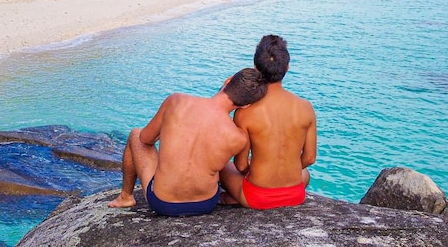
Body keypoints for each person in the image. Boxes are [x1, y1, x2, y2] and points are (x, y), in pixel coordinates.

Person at [107, 68, 267, 216]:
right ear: (246, 105)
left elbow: (146, 140)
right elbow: (239, 167)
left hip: (163, 203)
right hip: (206, 204)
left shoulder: (176, 101)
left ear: (228, 80)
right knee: (216, 160)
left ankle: (126, 197)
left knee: (136, 134)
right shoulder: (238, 137)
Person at [220, 35, 317, 209]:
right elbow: (309, 158)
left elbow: (241, 165)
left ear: (256, 67)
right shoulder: (306, 107)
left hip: (257, 197)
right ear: (287, 67)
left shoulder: (245, 112)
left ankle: (234, 197)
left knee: (223, 166)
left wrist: (260, 172)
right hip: (295, 195)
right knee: (305, 174)